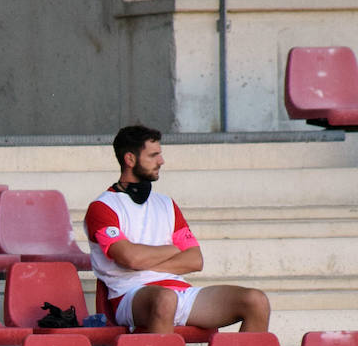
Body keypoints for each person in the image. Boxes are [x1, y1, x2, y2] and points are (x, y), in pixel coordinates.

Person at [85, 125, 271, 334]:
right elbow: (130, 258)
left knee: (256, 301)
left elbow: (195, 260)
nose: (161, 161)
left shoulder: (166, 204)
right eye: (153, 155)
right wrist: (173, 249)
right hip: (129, 294)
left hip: (179, 291)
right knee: (165, 299)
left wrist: (146, 261)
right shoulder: (102, 207)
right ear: (130, 159)